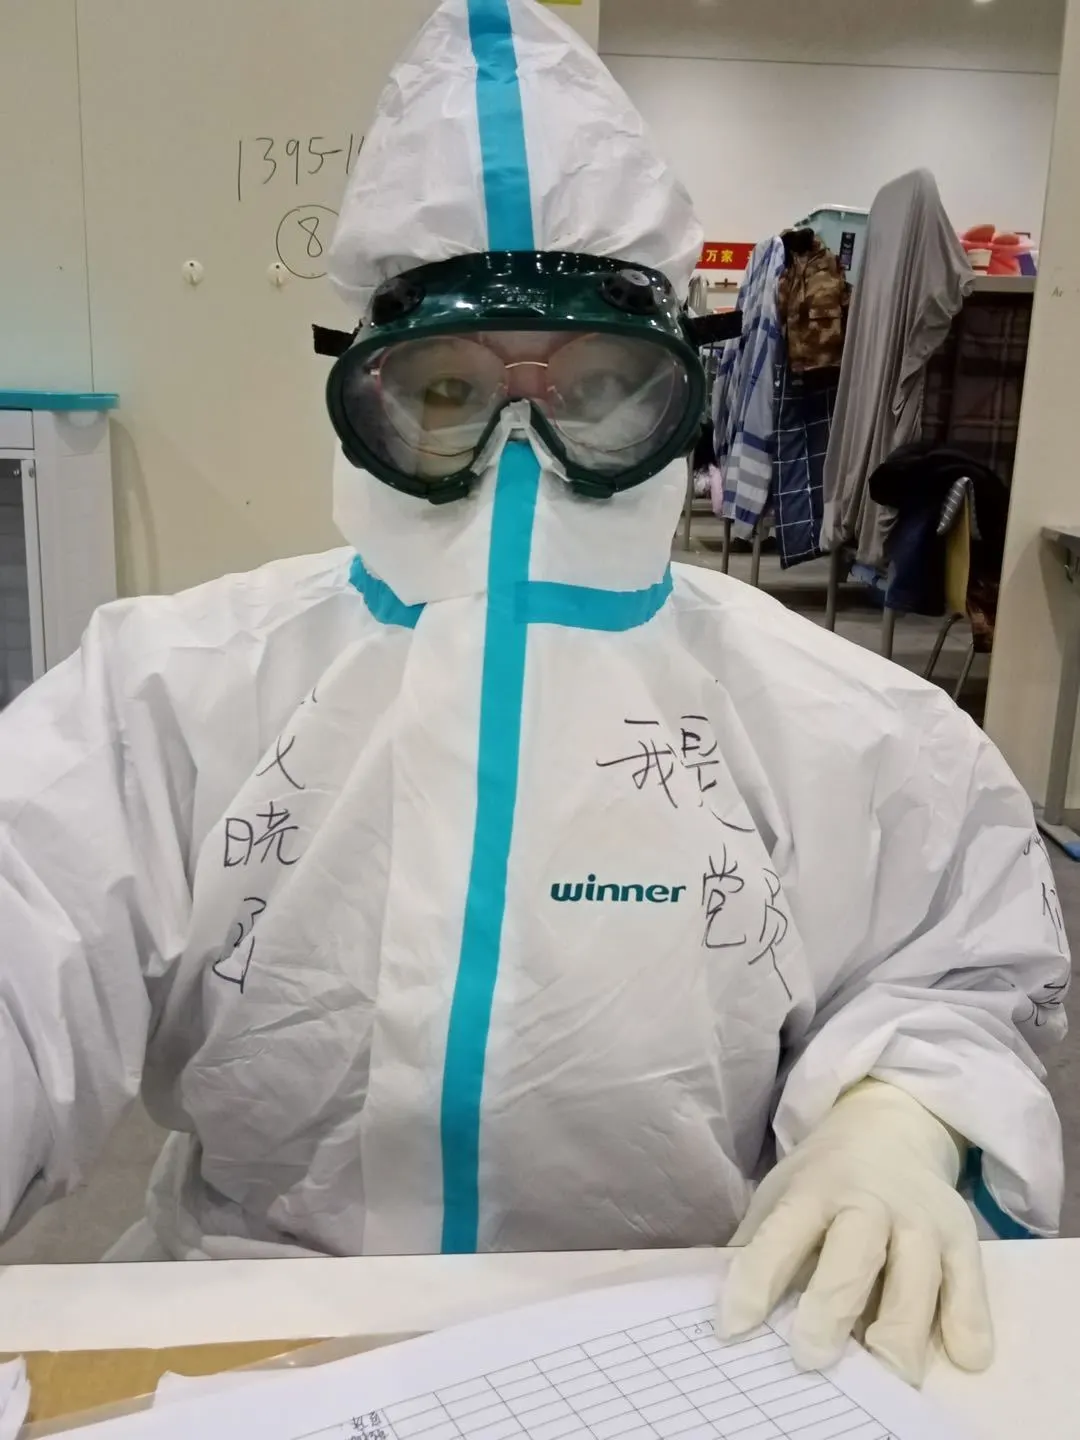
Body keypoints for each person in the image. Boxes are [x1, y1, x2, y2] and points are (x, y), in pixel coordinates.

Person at [0, 0, 1069, 1391]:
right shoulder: (169, 691)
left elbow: (952, 969)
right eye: (444, 392)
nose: (520, 445)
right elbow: (26, 922)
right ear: (364, 399)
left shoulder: (846, 724)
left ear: (678, 401)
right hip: (249, 1333)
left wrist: (897, 1117)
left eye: (601, 388)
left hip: (690, 1337)